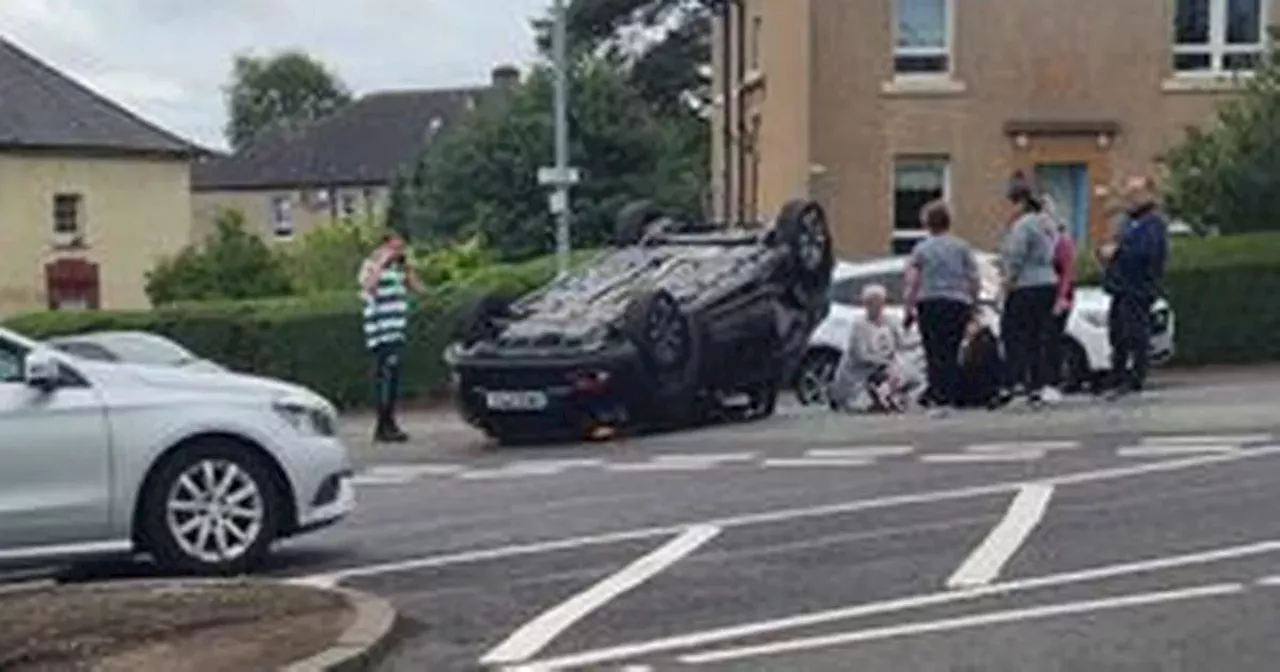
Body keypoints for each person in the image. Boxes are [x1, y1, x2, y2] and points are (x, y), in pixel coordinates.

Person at [904, 200, 981, 416]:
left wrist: (908, 307)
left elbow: (913, 280)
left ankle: (937, 396)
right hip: (957, 302)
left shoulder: (921, 249)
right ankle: (950, 395)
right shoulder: (962, 247)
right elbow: (974, 278)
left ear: (928, 224)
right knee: (952, 349)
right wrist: (973, 304)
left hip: (930, 303)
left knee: (933, 351)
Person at [1099, 176, 1168, 399]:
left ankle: (1135, 377)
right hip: (1121, 287)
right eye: (1128, 194)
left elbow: (1147, 252)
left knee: (1135, 334)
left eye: (1135, 194)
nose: (1130, 199)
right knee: (1117, 333)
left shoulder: (1153, 222)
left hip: (1138, 287)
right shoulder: (1129, 222)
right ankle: (1116, 376)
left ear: (1148, 194)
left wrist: (1118, 252)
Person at [997, 172, 1060, 408]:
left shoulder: (1023, 225)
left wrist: (1008, 281)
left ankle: (1014, 382)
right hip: (1048, 282)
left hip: (1025, 285)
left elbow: (1016, 255)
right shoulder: (1047, 223)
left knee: (1013, 335)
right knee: (1038, 337)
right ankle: (1038, 384)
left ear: (1018, 202)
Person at [359, 232, 426, 443]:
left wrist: (407, 267)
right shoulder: (370, 265)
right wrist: (381, 263)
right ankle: (383, 424)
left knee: (393, 379)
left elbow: (418, 288)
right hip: (381, 332)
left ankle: (389, 423)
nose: (397, 252)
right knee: (383, 379)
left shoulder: (397, 270)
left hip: (396, 330)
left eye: (400, 248)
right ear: (382, 247)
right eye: (394, 248)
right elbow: (368, 286)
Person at [829, 283, 907, 412]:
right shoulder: (859, 325)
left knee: (899, 371)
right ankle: (875, 399)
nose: (877, 307)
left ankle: (888, 398)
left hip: (883, 369)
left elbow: (901, 344)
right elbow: (860, 356)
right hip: (858, 375)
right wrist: (885, 362)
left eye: (879, 302)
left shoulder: (890, 321)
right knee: (887, 372)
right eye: (871, 303)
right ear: (866, 305)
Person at [1042, 195, 1076, 399]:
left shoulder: (1061, 240)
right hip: (1045, 292)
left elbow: (1067, 272)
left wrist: (1061, 298)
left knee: (1052, 338)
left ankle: (1053, 380)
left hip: (1059, 293)